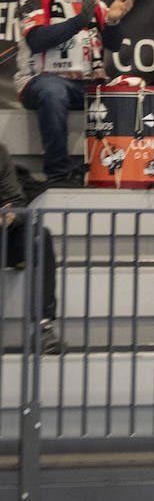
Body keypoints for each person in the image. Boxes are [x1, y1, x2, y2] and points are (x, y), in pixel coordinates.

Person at [16, 0, 134, 186]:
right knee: (53, 91)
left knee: (129, 92)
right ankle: (58, 175)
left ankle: (109, 170)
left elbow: (112, 44)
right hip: (39, 79)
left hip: (88, 81)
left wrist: (112, 21)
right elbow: (36, 40)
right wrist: (79, 22)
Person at [0, 142, 62, 354]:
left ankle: (44, 328)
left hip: (4, 235)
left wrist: (10, 216)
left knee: (39, 236)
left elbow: (15, 199)